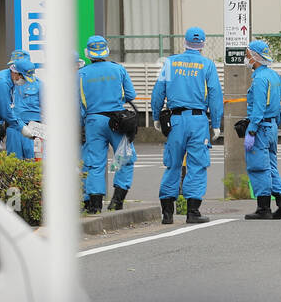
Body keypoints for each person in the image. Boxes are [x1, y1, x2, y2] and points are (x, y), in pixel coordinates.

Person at [152, 27, 223, 225]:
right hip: (198, 120)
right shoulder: (207, 65)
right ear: (203, 44)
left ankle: (167, 213)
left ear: (184, 42)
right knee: (197, 165)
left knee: (172, 164)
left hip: (175, 120)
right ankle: (193, 212)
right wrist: (216, 123)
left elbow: (158, 92)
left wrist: (157, 116)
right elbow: (215, 94)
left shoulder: (170, 62)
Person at [78, 36, 137, 214]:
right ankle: (117, 201)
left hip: (93, 121)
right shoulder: (118, 69)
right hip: (117, 121)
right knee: (125, 158)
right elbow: (130, 94)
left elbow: (78, 105)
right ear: (106, 51)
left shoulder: (81, 74)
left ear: (88, 53)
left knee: (95, 162)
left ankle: (94, 205)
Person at [242, 40, 281, 221]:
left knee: (258, 167)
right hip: (271, 127)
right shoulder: (274, 76)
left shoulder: (260, 79)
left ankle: (263, 208)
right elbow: (277, 106)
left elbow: (259, 107)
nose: (247, 58)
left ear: (255, 56)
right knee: (271, 166)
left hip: (261, 127)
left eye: (248, 55)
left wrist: (252, 130)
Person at [7, 56, 42, 160]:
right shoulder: (8, 84)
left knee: (32, 159)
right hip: (14, 127)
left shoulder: (39, 85)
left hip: (33, 128)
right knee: (13, 162)